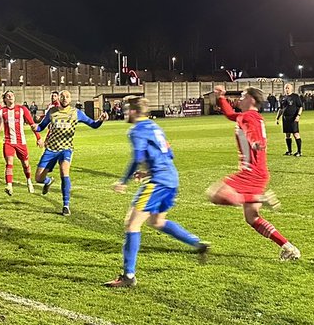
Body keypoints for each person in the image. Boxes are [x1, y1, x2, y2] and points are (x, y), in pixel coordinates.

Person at [104, 96, 208, 288]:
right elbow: (169, 154)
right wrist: (147, 171)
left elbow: (137, 157)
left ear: (134, 111)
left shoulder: (136, 130)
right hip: (171, 178)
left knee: (131, 224)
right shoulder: (155, 126)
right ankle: (197, 243)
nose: (125, 113)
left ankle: (128, 276)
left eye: (126, 110)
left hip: (158, 182)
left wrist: (124, 180)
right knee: (157, 221)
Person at [206, 86, 300, 261]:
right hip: (259, 171)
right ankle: (288, 247)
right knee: (252, 218)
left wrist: (255, 142)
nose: (239, 99)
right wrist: (221, 97)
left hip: (251, 172)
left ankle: (261, 199)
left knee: (215, 194)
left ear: (251, 99)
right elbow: (229, 115)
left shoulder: (250, 117)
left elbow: (252, 133)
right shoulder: (248, 116)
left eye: (243, 96)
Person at [34, 89, 106, 216]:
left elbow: (93, 125)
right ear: (59, 99)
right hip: (51, 149)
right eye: (62, 96)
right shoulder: (52, 112)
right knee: (38, 178)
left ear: (70, 99)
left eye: (67, 96)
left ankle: (66, 205)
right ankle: (48, 181)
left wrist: (100, 120)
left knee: (64, 172)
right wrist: (36, 127)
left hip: (66, 148)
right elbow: (42, 126)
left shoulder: (76, 113)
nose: (65, 98)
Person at [0, 90, 41, 196]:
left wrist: (38, 138)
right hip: (8, 142)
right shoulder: (1, 111)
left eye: (12, 95)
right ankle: (9, 185)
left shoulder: (22, 109)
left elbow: (32, 124)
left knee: (26, 164)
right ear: (5, 99)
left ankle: (29, 181)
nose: (10, 97)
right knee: (9, 163)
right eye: (8, 96)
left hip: (21, 142)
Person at [276, 82, 303, 157]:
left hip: (293, 118)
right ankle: (289, 151)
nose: (286, 89)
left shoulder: (295, 96)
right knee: (287, 135)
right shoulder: (283, 98)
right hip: (285, 118)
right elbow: (281, 109)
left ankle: (299, 152)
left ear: (291, 88)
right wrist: (277, 118)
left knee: (296, 134)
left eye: (288, 88)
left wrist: (298, 116)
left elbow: (300, 107)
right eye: (285, 88)